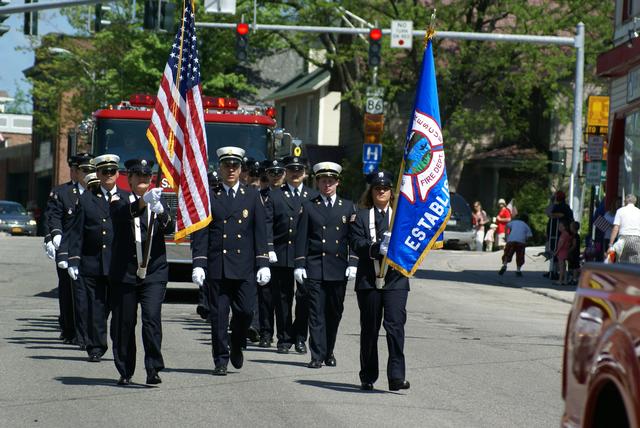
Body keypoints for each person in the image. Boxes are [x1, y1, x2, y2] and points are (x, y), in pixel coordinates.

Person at [190, 146, 271, 376]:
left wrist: (263, 262)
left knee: (245, 312)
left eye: (235, 166)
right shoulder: (210, 195)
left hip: (244, 266)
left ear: (241, 169)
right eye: (227, 166)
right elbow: (202, 232)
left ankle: (236, 342)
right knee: (218, 315)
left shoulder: (252, 196)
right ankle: (221, 359)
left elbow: (259, 232)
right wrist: (199, 262)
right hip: (219, 265)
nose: (231, 170)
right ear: (221, 168)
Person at [108, 159, 171, 386]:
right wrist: (143, 202)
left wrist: (162, 212)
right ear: (130, 179)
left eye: (147, 176)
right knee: (124, 323)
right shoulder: (119, 199)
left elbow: (171, 227)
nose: (144, 180)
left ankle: (153, 368)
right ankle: (125, 369)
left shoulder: (159, 199)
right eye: (138, 176)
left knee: (152, 319)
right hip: (125, 272)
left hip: (154, 271)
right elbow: (122, 215)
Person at [350, 170, 411, 392]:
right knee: (370, 329)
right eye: (377, 188)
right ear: (371, 191)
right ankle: (368, 375)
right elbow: (356, 242)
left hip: (395, 279)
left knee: (395, 327)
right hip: (369, 279)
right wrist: (375, 248)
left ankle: (396, 376)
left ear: (391, 192)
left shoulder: (401, 216)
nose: (381, 191)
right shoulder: (361, 215)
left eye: (385, 188)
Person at [294, 161, 358, 369]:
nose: (327, 185)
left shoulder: (348, 207)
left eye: (331, 181)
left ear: (337, 183)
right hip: (315, 267)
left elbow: (353, 238)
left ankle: (329, 350)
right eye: (323, 181)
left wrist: (353, 262)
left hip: (338, 268)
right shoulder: (309, 206)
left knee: (334, 313)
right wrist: (299, 265)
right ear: (317, 182)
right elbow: (301, 238)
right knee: (316, 313)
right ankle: (317, 355)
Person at [67, 154, 129, 362]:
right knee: (96, 308)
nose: (109, 175)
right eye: (104, 172)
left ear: (118, 174)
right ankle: (95, 346)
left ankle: (119, 347)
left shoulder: (127, 198)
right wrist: (73, 259)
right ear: (99, 174)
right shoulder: (87, 199)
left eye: (112, 171)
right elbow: (77, 232)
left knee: (117, 310)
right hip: (93, 262)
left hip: (118, 265)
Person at [43, 153, 95, 346]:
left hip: (91, 251)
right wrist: (53, 236)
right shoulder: (63, 193)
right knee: (69, 291)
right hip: (67, 249)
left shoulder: (97, 193)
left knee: (90, 294)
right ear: (76, 172)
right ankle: (72, 330)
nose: (89, 174)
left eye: (92, 170)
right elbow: (52, 217)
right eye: (85, 170)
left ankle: (87, 332)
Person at [609, 194, 640, 264]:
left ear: (625, 201)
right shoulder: (639, 211)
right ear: (635, 202)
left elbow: (616, 228)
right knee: (635, 264)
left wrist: (611, 244)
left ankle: (622, 274)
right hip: (637, 239)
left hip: (623, 239)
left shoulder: (620, 211)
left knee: (621, 263)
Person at [553, 221, 571, 285]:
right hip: (565, 251)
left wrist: (556, 252)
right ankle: (565, 280)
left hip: (562, 252)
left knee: (561, 267)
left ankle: (560, 280)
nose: (559, 227)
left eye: (560, 226)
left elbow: (561, 244)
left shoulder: (563, 234)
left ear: (564, 227)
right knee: (564, 267)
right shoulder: (567, 234)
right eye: (559, 226)